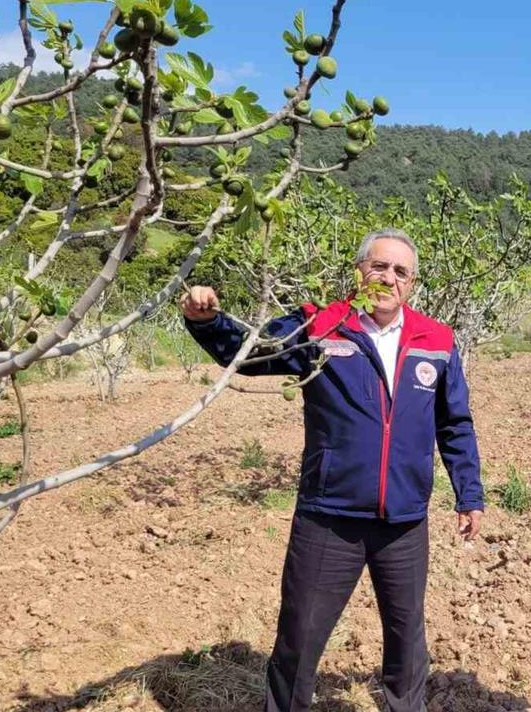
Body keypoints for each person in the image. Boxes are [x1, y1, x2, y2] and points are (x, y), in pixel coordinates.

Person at [181, 228, 484, 712]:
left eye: (401, 271)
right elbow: (253, 354)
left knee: (407, 639)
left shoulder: (437, 339)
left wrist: (469, 494)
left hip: (404, 521)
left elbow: (454, 424)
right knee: (300, 637)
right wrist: (208, 322)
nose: (388, 278)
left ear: (412, 283)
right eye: (379, 266)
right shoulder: (320, 324)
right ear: (359, 270)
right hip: (329, 517)